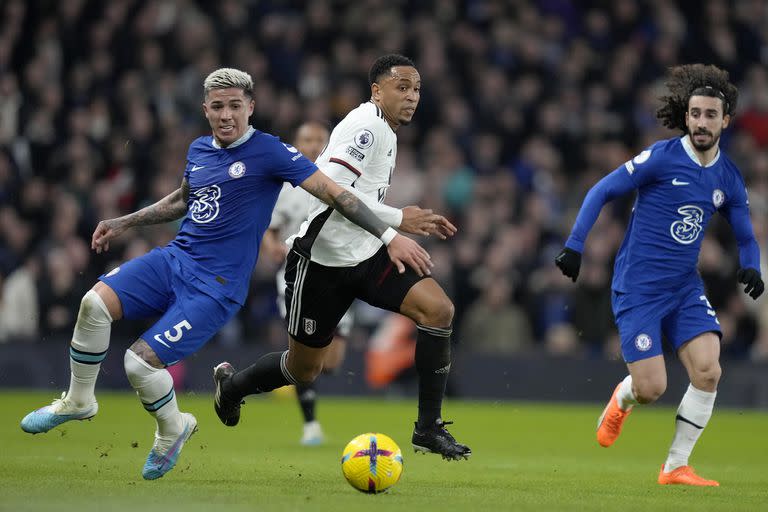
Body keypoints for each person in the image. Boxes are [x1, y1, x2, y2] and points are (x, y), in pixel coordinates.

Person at [20, 67, 441, 480]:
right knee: (93, 304)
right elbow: (182, 201)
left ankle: (173, 428)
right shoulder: (200, 150)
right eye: (218, 107)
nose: (226, 115)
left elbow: (336, 195)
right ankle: (78, 400)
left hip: (216, 288)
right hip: (174, 260)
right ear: (206, 110)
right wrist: (124, 222)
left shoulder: (272, 152)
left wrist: (390, 233)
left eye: (235, 106)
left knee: (138, 365)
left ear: (250, 108)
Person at [213, 54, 471, 461]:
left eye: (416, 89)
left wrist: (391, 227)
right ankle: (233, 387)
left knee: (438, 311)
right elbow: (330, 188)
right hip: (320, 264)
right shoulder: (365, 126)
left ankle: (427, 428)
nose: (411, 96)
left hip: (366, 255)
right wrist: (396, 225)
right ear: (376, 91)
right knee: (304, 371)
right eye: (401, 87)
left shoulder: (387, 129)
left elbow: (361, 195)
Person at [555, 64, 763, 486]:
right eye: (695, 113)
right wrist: (575, 245)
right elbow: (602, 190)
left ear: (725, 120)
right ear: (686, 116)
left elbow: (745, 233)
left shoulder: (728, 176)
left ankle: (675, 466)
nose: (701, 122)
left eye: (710, 115)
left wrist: (752, 265)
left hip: (685, 288)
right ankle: (623, 397)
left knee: (708, 371)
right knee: (652, 388)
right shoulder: (661, 158)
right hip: (638, 288)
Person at [260, 120, 352, 445]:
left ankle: (280, 376)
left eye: (318, 140)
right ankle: (311, 425)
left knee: (331, 362)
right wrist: (271, 244)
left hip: (338, 279)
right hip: (297, 279)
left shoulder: (340, 181)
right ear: (296, 145)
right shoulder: (286, 187)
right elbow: (270, 229)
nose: (313, 145)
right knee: (303, 357)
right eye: (306, 140)